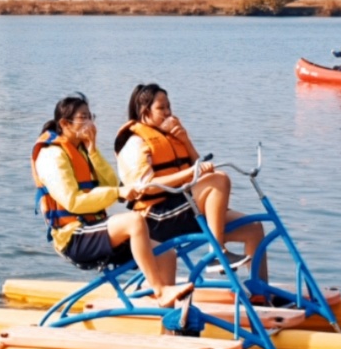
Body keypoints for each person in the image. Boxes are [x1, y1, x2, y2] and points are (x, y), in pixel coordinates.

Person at [33, 93, 192, 307]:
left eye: (90, 116)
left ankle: (168, 320)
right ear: (64, 123)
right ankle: (160, 290)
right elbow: (73, 202)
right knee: (134, 221)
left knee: (166, 253)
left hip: (93, 228)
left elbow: (111, 183)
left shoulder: (82, 150)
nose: (89, 122)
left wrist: (93, 150)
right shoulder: (52, 155)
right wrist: (118, 194)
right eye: (83, 117)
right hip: (73, 238)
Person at [115, 83, 268, 285]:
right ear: (145, 111)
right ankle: (216, 251)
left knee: (254, 228)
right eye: (161, 108)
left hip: (182, 207)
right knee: (219, 179)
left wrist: (185, 141)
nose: (168, 112)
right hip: (156, 217)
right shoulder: (135, 143)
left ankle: (260, 292)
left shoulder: (171, 137)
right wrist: (190, 172)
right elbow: (146, 186)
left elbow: (200, 170)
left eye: (169, 107)